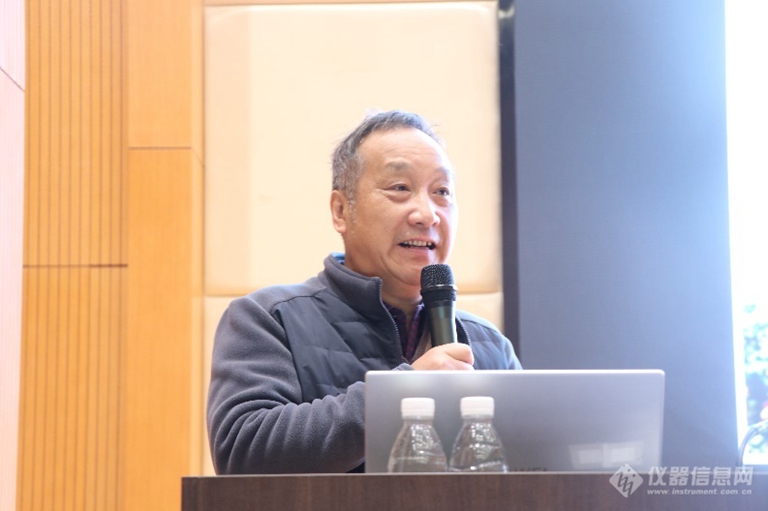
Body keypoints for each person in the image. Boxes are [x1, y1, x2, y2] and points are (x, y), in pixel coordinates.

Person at [207, 110, 522, 474]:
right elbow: (242, 451)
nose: (427, 214)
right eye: (400, 188)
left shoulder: (490, 345)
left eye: (442, 192)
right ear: (341, 211)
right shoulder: (269, 318)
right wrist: (404, 392)